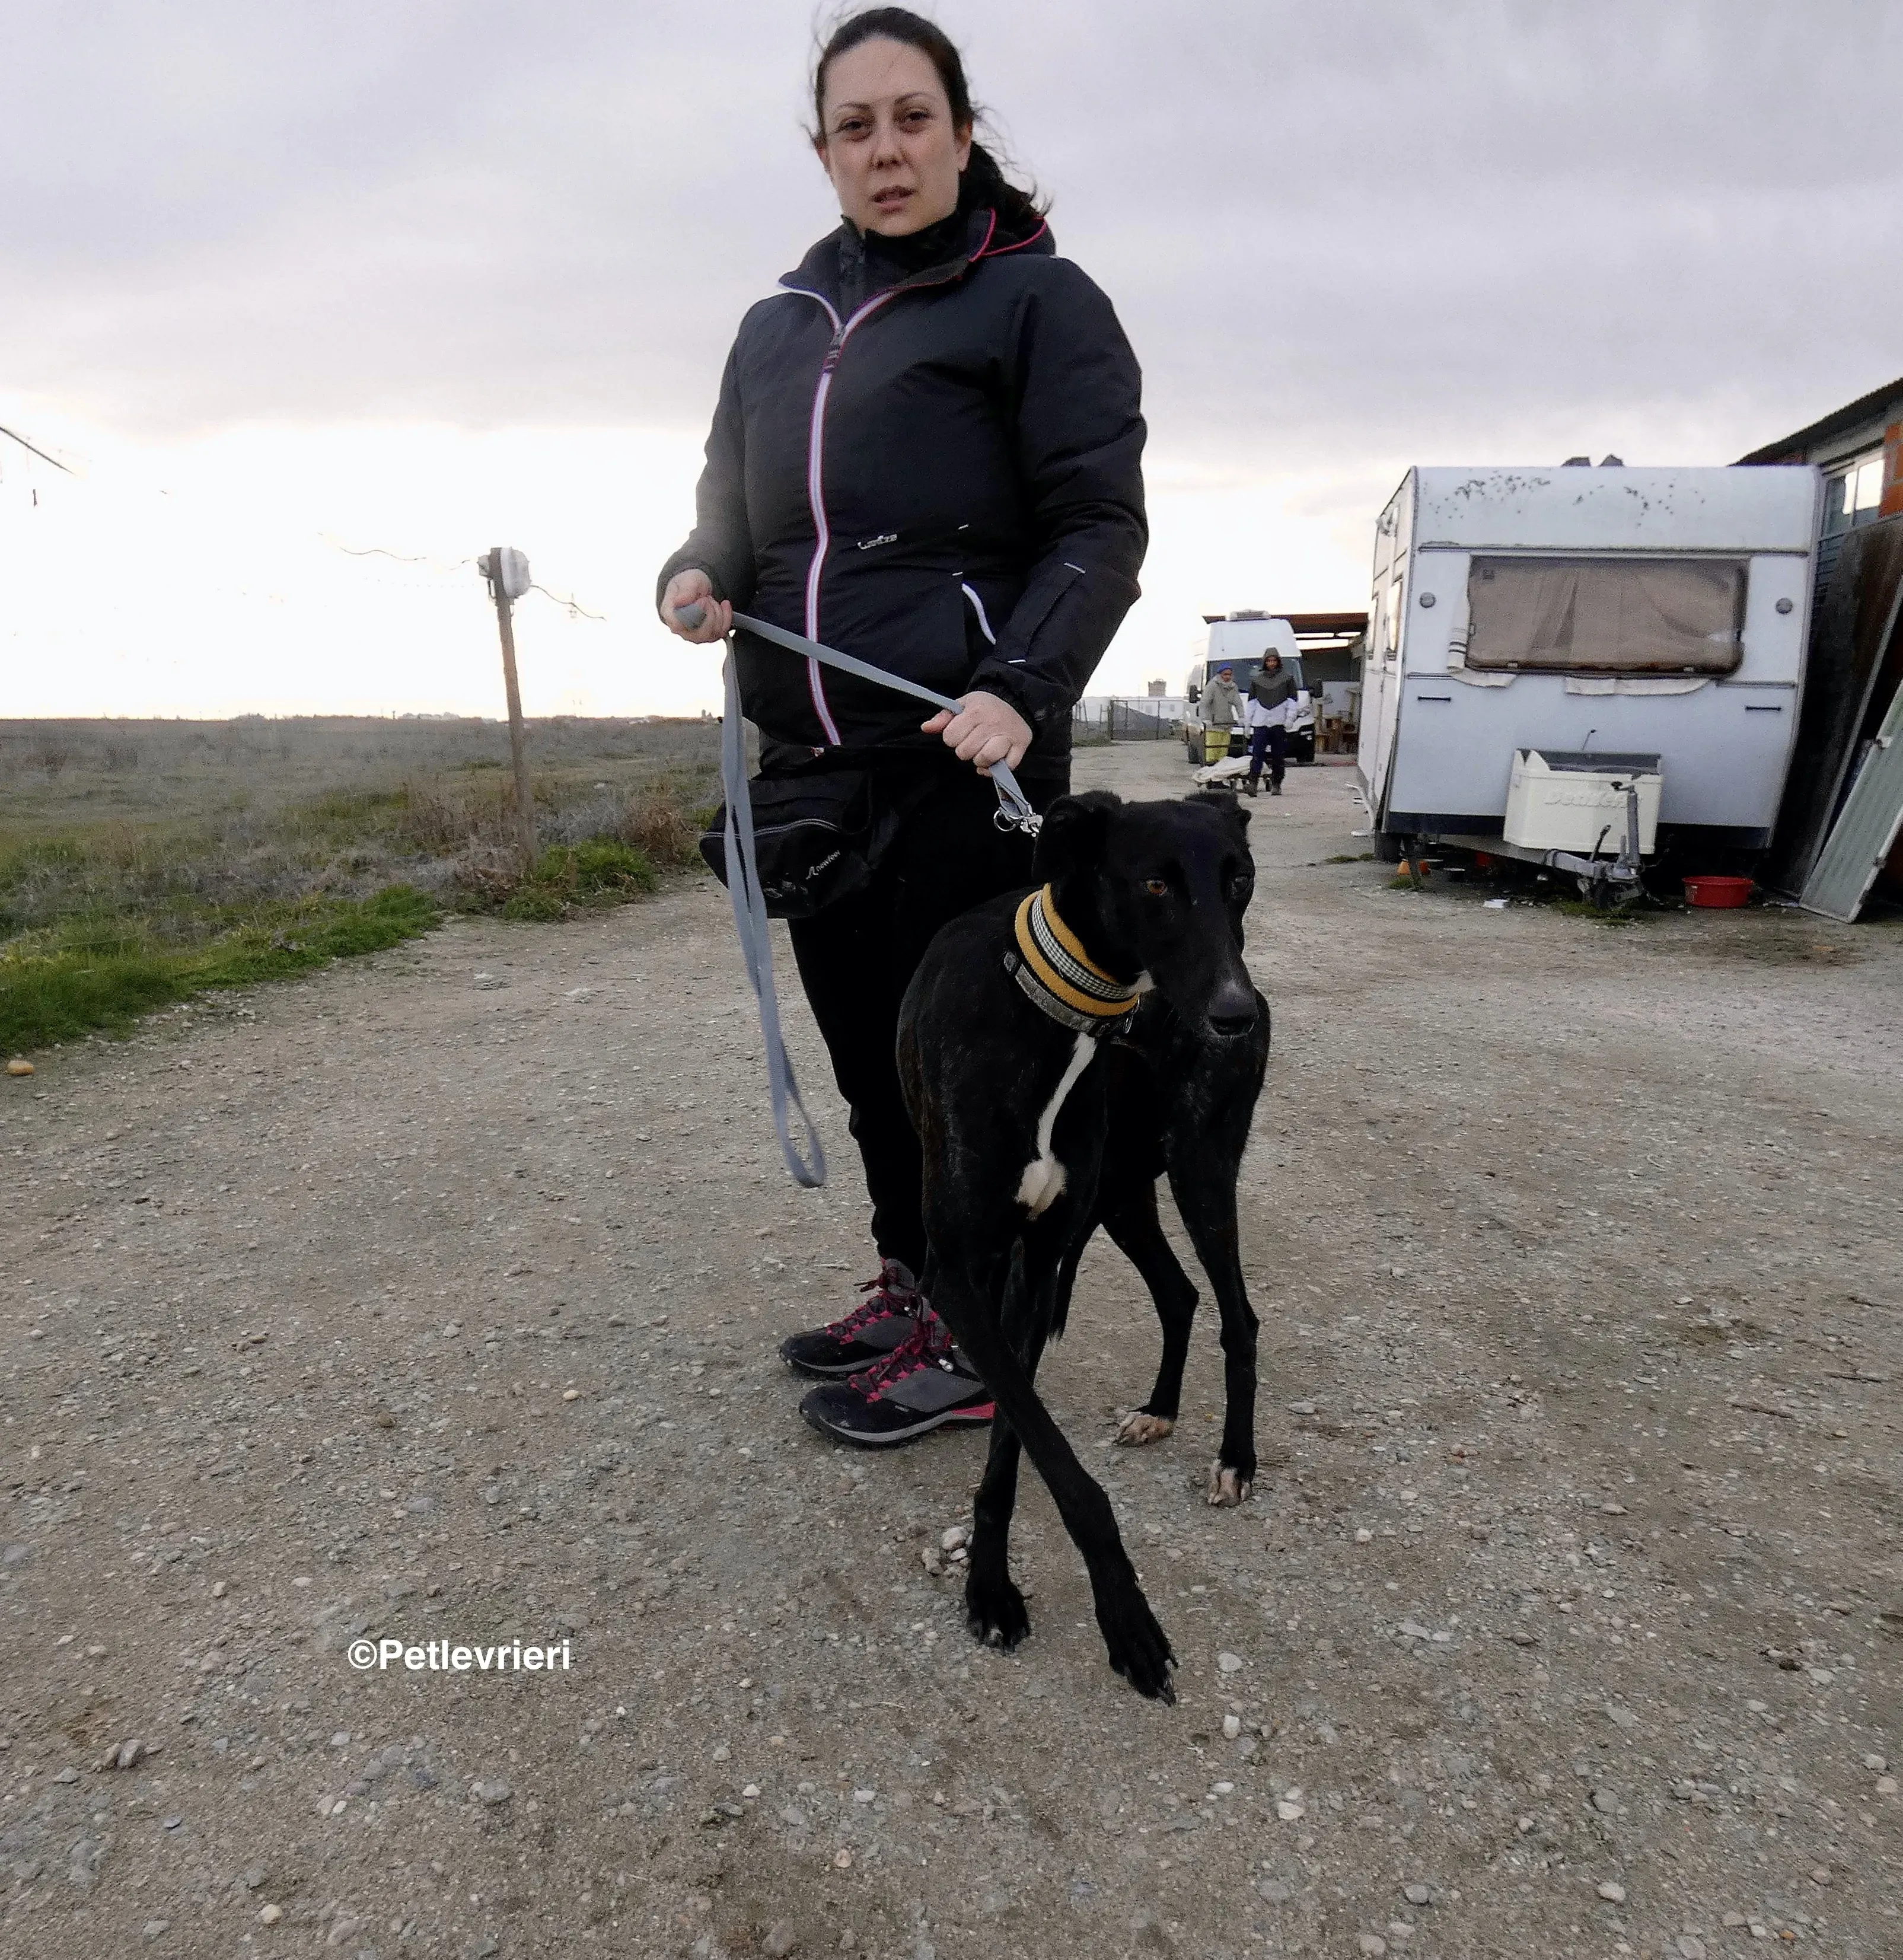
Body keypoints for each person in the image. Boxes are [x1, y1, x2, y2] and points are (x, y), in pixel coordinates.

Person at [657, 8, 1146, 1448]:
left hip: (963, 759)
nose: (884, 149)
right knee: (872, 1059)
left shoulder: (1038, 304)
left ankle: (981, 1330)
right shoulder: (775, 329)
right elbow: (727, 516)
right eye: (853, 126)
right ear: (821, 151)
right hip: (814, 771)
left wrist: (1020, 686)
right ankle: (912, 1278)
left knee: (964, 1069)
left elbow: (1097, 526)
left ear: (962, 129)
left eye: (910, 117)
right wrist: (693, 575)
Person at [1243, 651, 1295, 796]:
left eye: (1274, 661)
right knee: (1257, 755)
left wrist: (1290, 718)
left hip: (1278, 723)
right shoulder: (1257, 680)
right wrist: (1248, 724)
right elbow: (1252, 704)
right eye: (1269, 661)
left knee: (1278, 756)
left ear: (1278, 661)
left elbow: (1292, 701)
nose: (1271, 664)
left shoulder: (1287, 679)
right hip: (1261, 723)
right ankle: (1253, 783)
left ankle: (1277, 783)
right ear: (1264, 662)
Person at [1198, 662, 1240, 758]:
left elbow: (1239, 704)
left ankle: (1221, 771)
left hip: (1227, 725)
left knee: (1223, 753)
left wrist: (1241, 717)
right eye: (1225, 674)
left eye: (1230, 674)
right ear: (1220, 674)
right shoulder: (1212, 686)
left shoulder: (1233, 687)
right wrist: (1206, 719)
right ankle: (1210, 770)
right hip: (1214, 725)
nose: (1228, 677)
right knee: (1212, 752)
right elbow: (1204, 704)